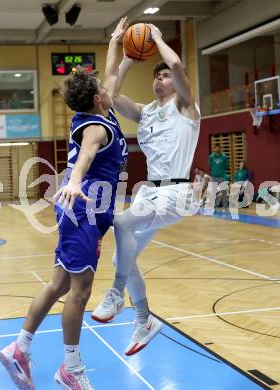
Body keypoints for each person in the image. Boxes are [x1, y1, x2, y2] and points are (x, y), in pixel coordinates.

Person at [0, 18, 128, 390]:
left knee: (58, 283)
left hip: (86, 210)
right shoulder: (96, 127)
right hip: (83, 207)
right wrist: (72, 183)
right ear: (97, 98)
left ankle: (19, 348)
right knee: (80, 290)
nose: (108, 86)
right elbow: (86, 156)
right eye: (103, 87)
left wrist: (115, 41)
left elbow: (114, 70)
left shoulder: (104, 112)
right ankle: (70, 367)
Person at [92, 23, 201, 356]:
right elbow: (107, 96)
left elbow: (180, 65)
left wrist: (155, 39)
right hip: (149, 193)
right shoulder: (145, 112)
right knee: (120, 253)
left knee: (122, 224)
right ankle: (144, 318)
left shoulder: (185, 107)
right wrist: (124, 58)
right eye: (157, 75)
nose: (161, 78)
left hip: (178, 192)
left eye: (165, 75)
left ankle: (116, 293)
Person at [209, 143, 229, 209]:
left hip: (222, 176)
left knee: (224, 191)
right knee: (213, 192)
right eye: (215, 147)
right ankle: (213, 205)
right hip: (213, 177)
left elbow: (226, 166)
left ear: (220, 148)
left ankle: (225, 205)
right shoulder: (211, 157)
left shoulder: (224, 157)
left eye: (218, 147)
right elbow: (210, 166)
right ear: (214, 149)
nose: (217, 149)